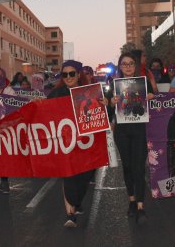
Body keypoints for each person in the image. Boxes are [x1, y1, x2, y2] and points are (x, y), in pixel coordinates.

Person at [47, 60, 100, 228]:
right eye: (65, 74)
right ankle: (70, 215)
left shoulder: (89, 93)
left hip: (86, 142)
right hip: (65, 143)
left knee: (84, 176)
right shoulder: (55, 94)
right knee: (68, 175)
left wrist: (104, 106)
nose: (68, 77)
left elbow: (101, 116)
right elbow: (44, 114)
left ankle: (76, 202)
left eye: (72, 74)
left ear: (78, 75)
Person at [108, 52, 154, 224]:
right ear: (120, 66)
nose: (127, 66)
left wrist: (151, 97)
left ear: (135, 66)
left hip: (140, 130)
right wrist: (112, 103)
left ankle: (141, 206)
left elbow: (156, 104)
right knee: (127, 167)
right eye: (124, 64)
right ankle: (132, 201)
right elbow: (109, 112)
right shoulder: (113, 85)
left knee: (139, 168)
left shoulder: (144, 83)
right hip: (122, 132)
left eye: (131, 63)